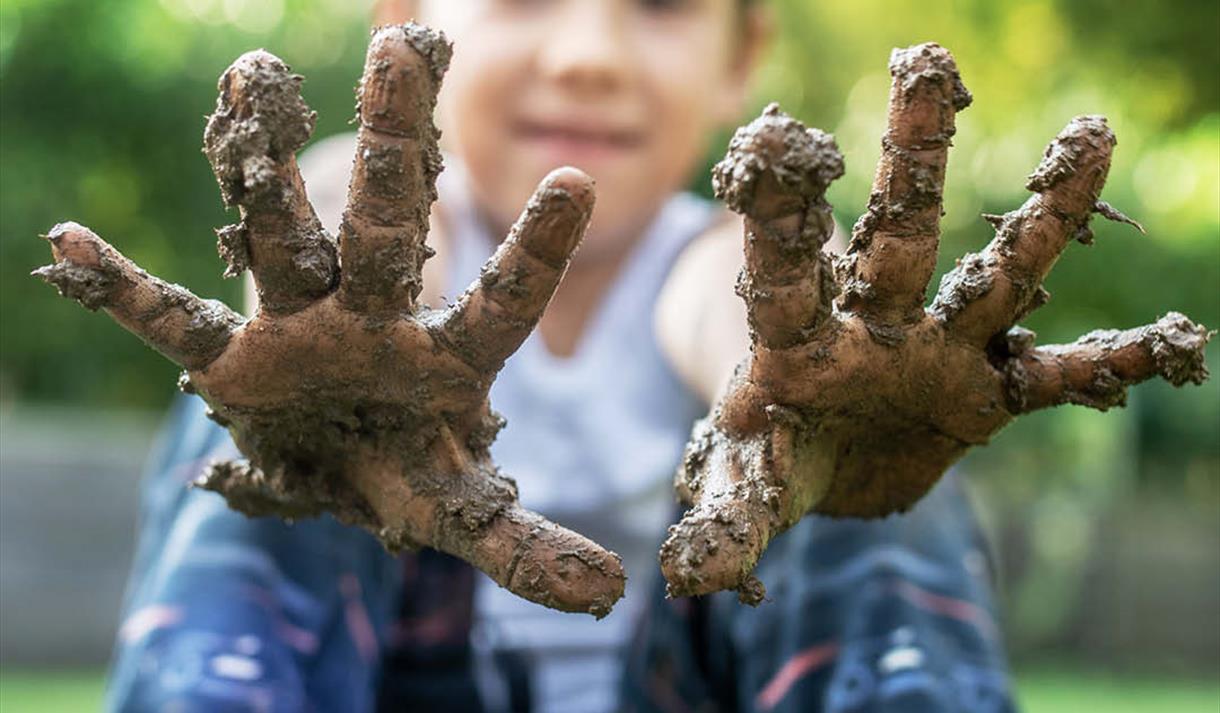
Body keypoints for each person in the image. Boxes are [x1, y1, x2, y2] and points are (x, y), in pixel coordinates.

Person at [107, 1, 1015, 711]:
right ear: (403, 16)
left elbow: (732, 305)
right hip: (394, 680)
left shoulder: (729, 261)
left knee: (833, 411)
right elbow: (349, 198)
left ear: (738, 60)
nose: (591, 54)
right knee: (288, 414)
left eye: (661, 3)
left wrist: (781, 373)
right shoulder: (397, 233)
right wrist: (333, 324)